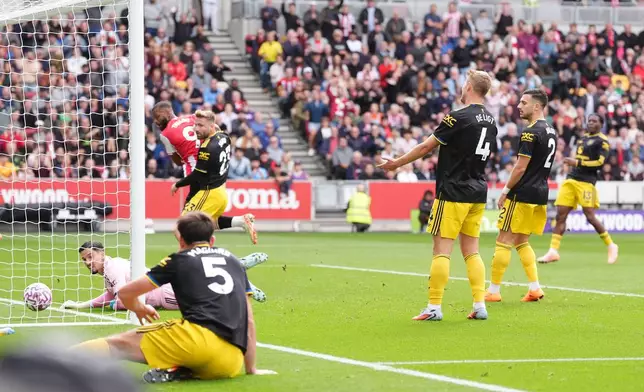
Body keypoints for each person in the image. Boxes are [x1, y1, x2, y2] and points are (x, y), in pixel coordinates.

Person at [72, 212, 275, 383]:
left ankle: (50, 363)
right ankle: (180, 369)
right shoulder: (233, 261)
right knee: (189, 351)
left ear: (181, 240)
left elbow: (125, 294)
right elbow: (248, 320)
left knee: (117, 344)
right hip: (230, 362)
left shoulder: (178, 260)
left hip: (196, 342)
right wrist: (251, 369)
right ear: (212, 240)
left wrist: (140, 308)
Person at [379, 70, 497, 321]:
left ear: (469, 87)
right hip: (477, 191)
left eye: (464, 83)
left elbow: (425, 147)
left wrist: (396, 163)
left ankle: (434, 307)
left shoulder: (458, 117)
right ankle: (479, 305)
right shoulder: (491, 120)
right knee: (472, 251)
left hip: (453, 191)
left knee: (441, 250)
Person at [485, 89, 556, 303]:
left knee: (503, 240)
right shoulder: (551, 131)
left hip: (522, 193)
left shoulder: (529, 132)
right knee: (522, 241)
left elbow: (519, 167)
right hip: (541, 192)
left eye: (524, 103)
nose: (519, 106)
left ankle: (493, 291)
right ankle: (535, 288)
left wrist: (505, 191)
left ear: (536, 106)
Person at [152, 102, 258, 244]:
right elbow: (217, 130)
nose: (155, 121)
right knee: (202, 221)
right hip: (215, 176)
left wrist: (183, 154)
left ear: (164, 113)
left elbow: (178, 161)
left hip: (198, 179)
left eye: (156, 117)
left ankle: (196, 256)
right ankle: (239, 221)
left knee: (183, 227)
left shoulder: (165, 134)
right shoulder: (192, 118)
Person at [61, 242, 269, 309]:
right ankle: (238, 268)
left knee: (207, 299)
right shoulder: (110, 267)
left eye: (90, 257)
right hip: (163, 285)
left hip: (164, 294)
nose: (88, 262)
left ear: (101, 253)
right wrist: (81, 306)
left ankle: (241, 285)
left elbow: (122, 299)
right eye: (84, 260)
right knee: (201, 278)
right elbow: (111, 295)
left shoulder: (112, 268)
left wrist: (115, 305)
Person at [538, 114, 618, 264]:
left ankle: (611, 245)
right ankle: (553, 251)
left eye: (595, 121)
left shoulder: (603, 141)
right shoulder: (583, 139)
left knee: (589, 216)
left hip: (586, 182)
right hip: (571, 179)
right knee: (561, 215)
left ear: (601, 123)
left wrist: (577, 162)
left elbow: (600, 163)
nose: (591, 123)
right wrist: (575, 163)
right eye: (589, 121)